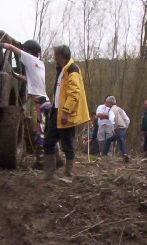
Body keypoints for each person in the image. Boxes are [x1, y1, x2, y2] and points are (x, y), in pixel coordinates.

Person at [43, 45, 90, 181]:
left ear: (61, 56)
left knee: (67, 144)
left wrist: (67, 112)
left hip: (65, 114)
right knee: (48, 142)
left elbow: (74, 93)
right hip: (56, 112)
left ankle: (68, 175)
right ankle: (49, 174)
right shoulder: (61, 70)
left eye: (55, 55)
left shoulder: (72, 70)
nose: (54, 57)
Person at [103, 95, 130, 162]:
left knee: (120, 141)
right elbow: (127, 119)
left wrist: (113, 129)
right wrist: (125, 127)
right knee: (112, 140)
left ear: (110, 103)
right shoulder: (120, 109)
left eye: (107, 102)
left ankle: (124, 154)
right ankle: (104, 155)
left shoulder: (111, 110)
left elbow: (112, 120)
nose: (106, 103)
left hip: (117, 128)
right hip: (122, 128)